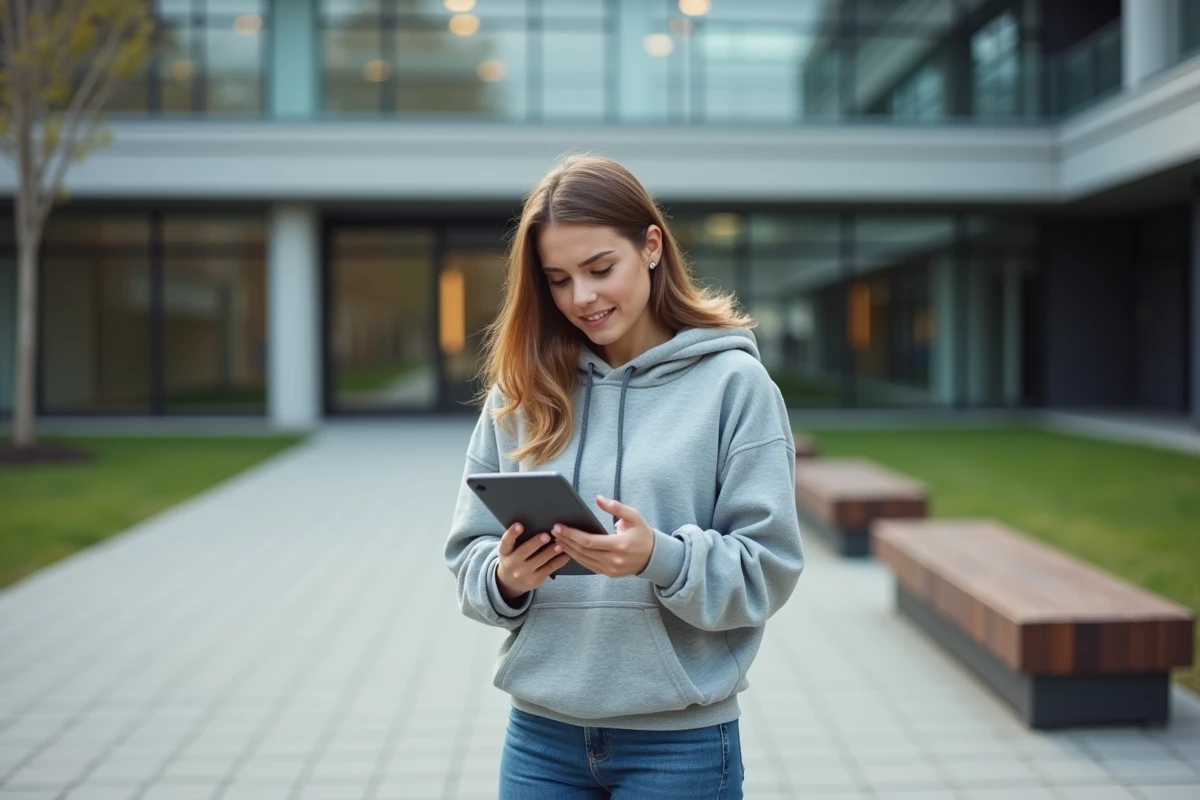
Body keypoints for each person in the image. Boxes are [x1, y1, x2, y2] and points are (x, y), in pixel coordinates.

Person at [444, 155, 804, 799]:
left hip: (680, 743)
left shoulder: (734, 385)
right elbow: (467, 552)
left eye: (599, 269)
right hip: (541, 737)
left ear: (652, 246)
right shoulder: (522, 388)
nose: (581, 298)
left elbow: (768, 569)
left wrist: (660, 558)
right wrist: (505, 577)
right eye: (557, 279)